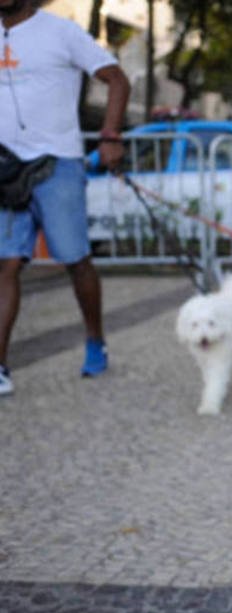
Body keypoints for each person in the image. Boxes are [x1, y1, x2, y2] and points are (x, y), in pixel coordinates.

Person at [0, 0, 131, 395]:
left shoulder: (61, 31)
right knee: (6, 265)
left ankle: (95, 339)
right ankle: (0, 367)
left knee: (75, 260)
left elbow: (118, 80)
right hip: (6, 169)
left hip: (58, 164)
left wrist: (109, 136)